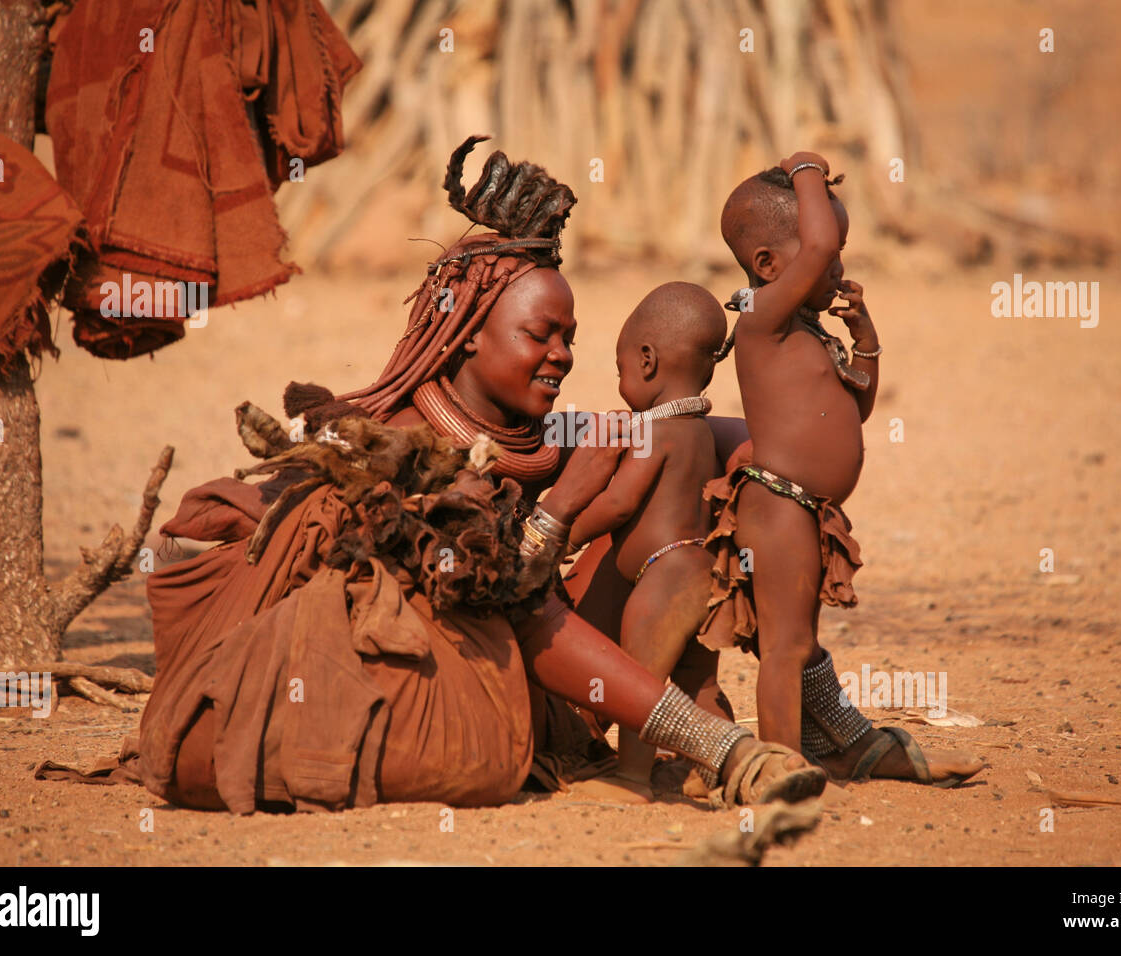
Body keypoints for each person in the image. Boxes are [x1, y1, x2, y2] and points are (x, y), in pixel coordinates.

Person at [55, 137, 827, 812]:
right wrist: (557, 509)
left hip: (540, 669)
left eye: (571, 337)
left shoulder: (541, 435)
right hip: (414, 665)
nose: (561, 356)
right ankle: (721, 747)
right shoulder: (395, 446)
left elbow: (693, 431)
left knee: (709, 491)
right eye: (539, 335)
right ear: (464, 335)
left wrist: (783, 428)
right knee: (521, 593)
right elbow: (496, 589)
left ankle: (831, 723)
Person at [702, 151, 983, 786]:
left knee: (797, 641)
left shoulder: (804, 333)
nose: (838, 263)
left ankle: (828, 749)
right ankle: (779, 770)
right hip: (776, 508)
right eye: (826, 256)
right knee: (785, 648)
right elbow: (819, 233)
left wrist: (866, 339)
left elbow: (857, 404)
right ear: (772, 266)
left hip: (804, 511)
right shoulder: (762, 320)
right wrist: (805, 167)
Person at [563, 282, 728, 801]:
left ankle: (632, 778)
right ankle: (716, 765)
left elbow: (619, 503)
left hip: (666, 573)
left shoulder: (656, 432)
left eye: (620, 371)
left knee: (642, 675)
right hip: (702, 573)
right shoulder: (699, 430)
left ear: (647, 361)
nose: (619, 383)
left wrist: (565, 531)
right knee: (697, 681)